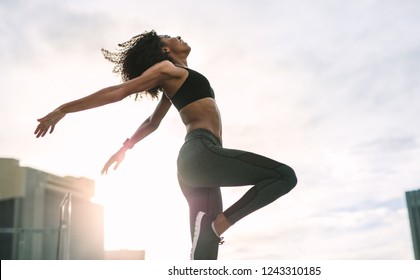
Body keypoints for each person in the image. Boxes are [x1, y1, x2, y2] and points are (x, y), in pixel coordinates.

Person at [35, 30, 297, 260]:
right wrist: (64, 109)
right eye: (169, 36)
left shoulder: (177, 78)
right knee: (284, 176)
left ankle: (213, 229)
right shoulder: (167, 70)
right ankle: (221, 224)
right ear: (165, 49)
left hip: (197, 166)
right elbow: (120, 91)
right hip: (202, 153)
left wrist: (125, 147)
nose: (177, 35)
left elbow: (152, 122)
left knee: (204, 255)